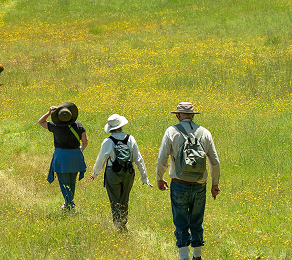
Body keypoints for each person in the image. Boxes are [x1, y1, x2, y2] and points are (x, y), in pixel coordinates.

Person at [156, 102, 221, 260]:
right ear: (193, 115)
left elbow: (162, 157)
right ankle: (197, 255)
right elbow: (215, 162)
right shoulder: (205, 133)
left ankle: (184, 256)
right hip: (200, 185)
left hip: (179, 183)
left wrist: (159, 177)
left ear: (178, 115)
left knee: (181, 221)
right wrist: (215, 184)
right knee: (196, 221)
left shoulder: (172, 131)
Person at [89, 114, 153, 231]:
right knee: (125, 199)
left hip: (112, 172)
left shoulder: (107, 141)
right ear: (121, 126)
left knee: (115, 200)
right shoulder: (130, 138)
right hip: (128, 172)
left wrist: (95, 173)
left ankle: (118, 225)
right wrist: (145, 178)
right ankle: (123, 223)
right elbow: (138, 159)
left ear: (111, 128)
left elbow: (101, 159)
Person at [37, 102, 88, 211]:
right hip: (75, 157)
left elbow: (40, 122)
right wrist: (80, 151)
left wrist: (49, 112)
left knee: (64, 182)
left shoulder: (55, 126)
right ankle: (68, 203)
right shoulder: (78, 125)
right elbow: (85, 142)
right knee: (72, 182)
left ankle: (69, 205)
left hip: (61, 158)